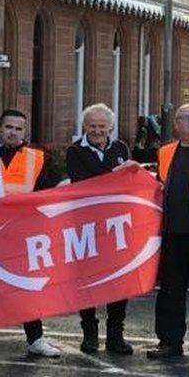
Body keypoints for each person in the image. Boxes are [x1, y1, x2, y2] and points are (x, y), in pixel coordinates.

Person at [0, 109, 62, 359]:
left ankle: (35, 339)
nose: (13, 132)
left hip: (22, 233)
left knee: (26, 287)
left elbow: (49, 194)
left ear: (24, 132)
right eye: (8, 127)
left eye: (18, 128)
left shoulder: (38, 158)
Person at [66, 103, 137, 355]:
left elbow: (128, 183)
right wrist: (115, 173)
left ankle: (116, 335)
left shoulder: (121, 148)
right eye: (92, 126)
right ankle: (90, 333)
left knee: (119, 281)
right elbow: (82, 184)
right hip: (85, 227)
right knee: (87, 282)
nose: (97, 131)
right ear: (84, 126)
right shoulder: (74, 151)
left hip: (117, 226)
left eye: (102, 126)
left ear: (111, 128)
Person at [148, 103, 189, 360]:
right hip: (172, 234)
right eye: (186, 118)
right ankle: (169, 342)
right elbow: (156, 186)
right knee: (170, 292)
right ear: (176, 125)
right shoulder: (165, 152)